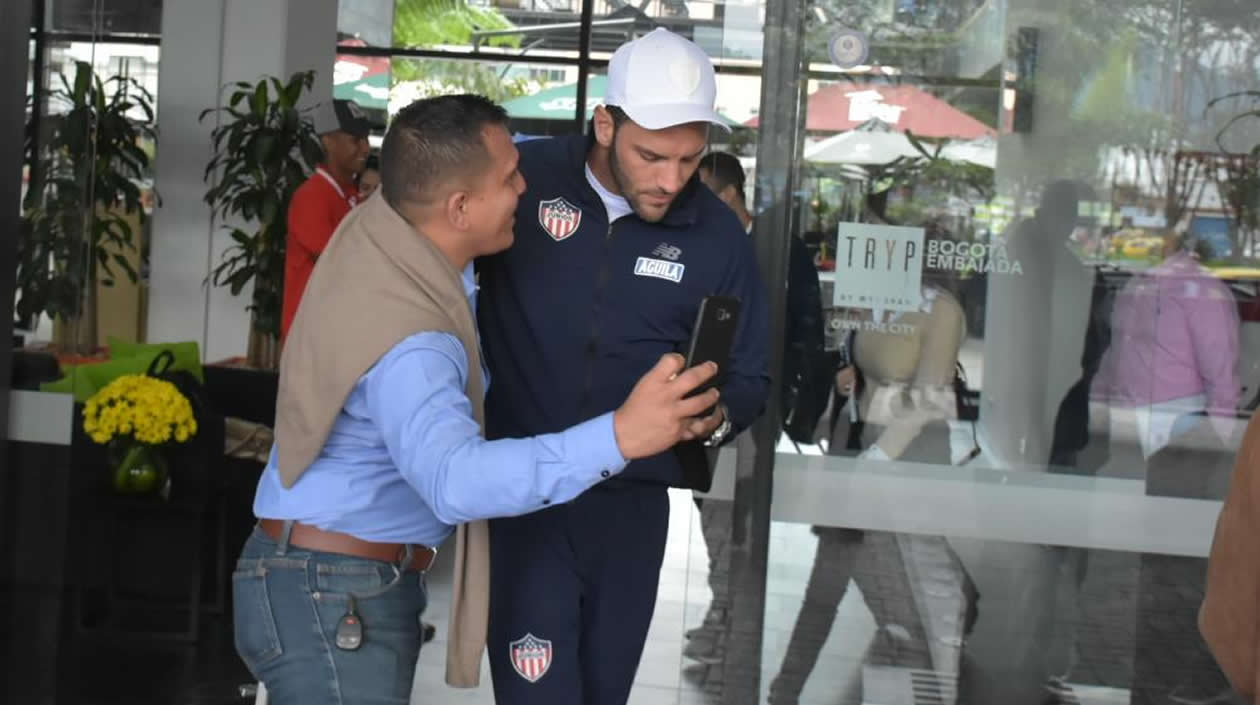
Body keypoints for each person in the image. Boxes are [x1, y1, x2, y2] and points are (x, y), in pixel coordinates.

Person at [232, 94, 724, 705]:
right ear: (460, 207)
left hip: (334, 581)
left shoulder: (391, 235)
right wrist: (620, 434)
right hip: (331, 592)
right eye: (510, 177)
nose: (526, 187)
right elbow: (455, 482)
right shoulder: (413, 340)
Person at [476, 28, 771, 705]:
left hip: (632, 510)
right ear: (604, 124)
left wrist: (714, 415)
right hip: (529, 496)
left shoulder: (716, 233)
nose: (672, 179)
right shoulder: (525, 182)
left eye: (691, 159)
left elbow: (751, 374)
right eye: (652, 155)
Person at [280, 99, 375, 343]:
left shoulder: (351, 197)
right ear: (327, 140)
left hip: (339, 335)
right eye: (356, 139)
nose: (365, 148)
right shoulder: (312, 196)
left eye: (366, 138)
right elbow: (339, 261)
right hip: (311, 339)